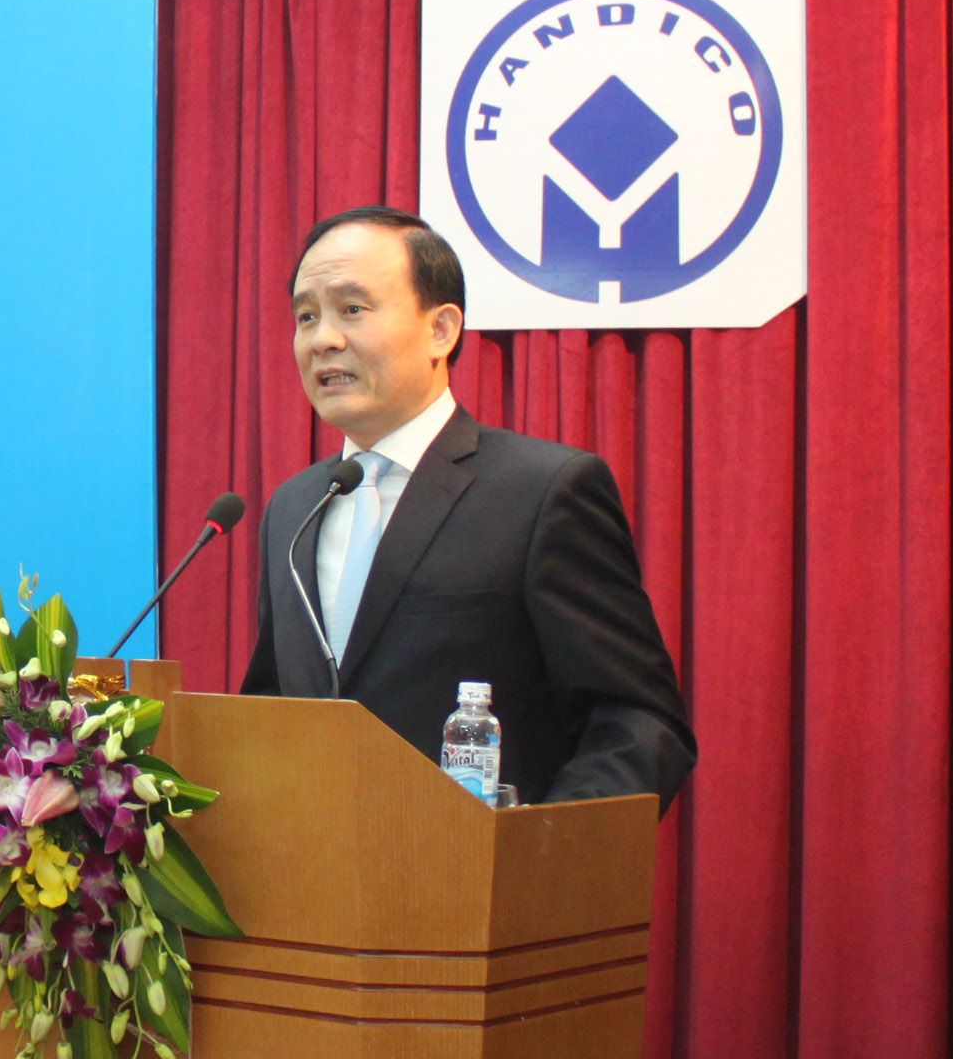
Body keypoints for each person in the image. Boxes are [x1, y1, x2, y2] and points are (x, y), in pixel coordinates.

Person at [240, 205, 693, 808]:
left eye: (352, 309)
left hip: (485, 865)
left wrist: (534, 848)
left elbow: (637, 721)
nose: (323, 339)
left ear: (441, 329)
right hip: (316, 863)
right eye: (306, 316)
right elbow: (272, 706)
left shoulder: (543, 491)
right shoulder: (294, 508)